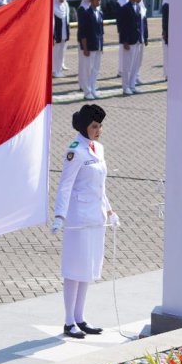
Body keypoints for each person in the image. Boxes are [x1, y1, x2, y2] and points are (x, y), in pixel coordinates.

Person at [51, 104, 118, 339]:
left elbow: (99, 185)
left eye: (100, 126)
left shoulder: (97, 148)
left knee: (88, 268)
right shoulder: (75, 151)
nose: (99, 130)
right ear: (84, 126)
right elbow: (65, 185)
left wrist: (110, 211)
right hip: (78, 218)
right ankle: (69, 321)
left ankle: (80, 317)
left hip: (95, 217)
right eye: (94, 126)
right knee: (74, 269)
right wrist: (60, 215)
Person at [117, 0, 148, 95]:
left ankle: (132, 85)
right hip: (129, 41)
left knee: (135, 65)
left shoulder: (139, 7)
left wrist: (144, 38)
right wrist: (124, 41)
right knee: (127, 66)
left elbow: (141, 24)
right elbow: (121, 26)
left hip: (138, 40)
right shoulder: (125, 8)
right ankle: (125, 87)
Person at [79, 0, 104, 100]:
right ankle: (87, 91)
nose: (98, 1)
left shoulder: (100, 13)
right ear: (91, 0)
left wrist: (101, 46)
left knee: (95, 69)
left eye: (100, 0)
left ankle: (93, 88)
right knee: (87, 69)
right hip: (89, 45)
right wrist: (85, 47)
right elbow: (82, 32)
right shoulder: (86, 13)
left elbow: (101, 31)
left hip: (98, 45)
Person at [52, 0, 70, 78]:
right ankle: (54, 70)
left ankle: (59, 70)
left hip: (64, 34)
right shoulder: (53, 8)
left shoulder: (64, 7)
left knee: (61, 53)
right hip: (57, 35)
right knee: (55, 53)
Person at [116, 0, 131, 79]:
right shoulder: (119, 3)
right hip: (122, 30)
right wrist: (120, 30)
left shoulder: (130, 1)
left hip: (130, 30)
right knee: (122, 50)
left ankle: (126, 69)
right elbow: (119, 19)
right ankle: (120, 70)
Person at [161, 0, 170, 81]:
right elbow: (165, 21)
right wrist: (165, 32)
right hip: (168, 34)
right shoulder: (166, 6)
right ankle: (167, 74)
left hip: (174, 33)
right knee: (167, 55)